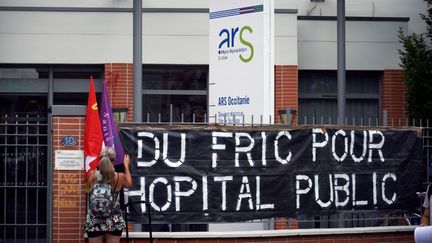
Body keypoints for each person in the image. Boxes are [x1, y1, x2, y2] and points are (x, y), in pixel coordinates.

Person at [85, 147, 132, 243]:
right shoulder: (119, 177)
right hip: (113, 219)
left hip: (95, 219)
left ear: (100, 160)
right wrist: (126, 166)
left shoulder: (92, 175)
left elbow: (88, 189)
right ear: (114, 161)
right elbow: (129, 185)